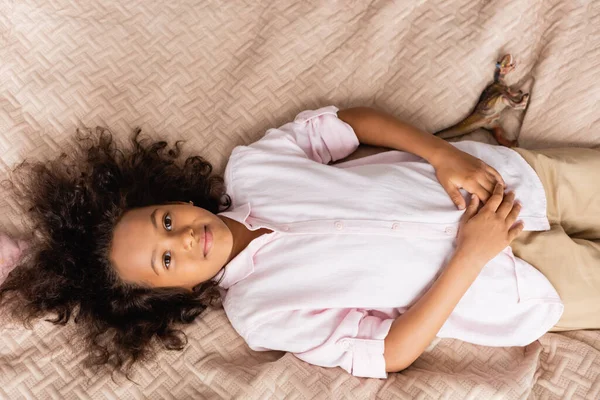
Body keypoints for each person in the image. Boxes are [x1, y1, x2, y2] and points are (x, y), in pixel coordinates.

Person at [0, 105, 598, 380]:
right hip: (520, 287)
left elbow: (353, 123)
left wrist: (442, 156)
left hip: (515, 180)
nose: (185, 238)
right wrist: (471, 256)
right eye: (166, 260)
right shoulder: (260, 312)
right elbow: (387, 353)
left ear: (165, 196)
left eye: (164, 222)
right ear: (164, 295)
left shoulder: (252, 167)